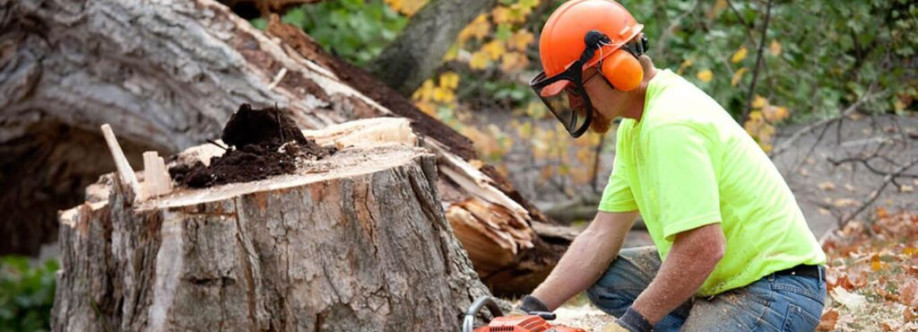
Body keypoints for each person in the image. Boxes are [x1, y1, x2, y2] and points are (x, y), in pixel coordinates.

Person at [521, 0, 827, 331]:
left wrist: (630, 325)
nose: (574, 101)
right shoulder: (636, 126)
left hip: (777, 288)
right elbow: (601, 235)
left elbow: (704, 248)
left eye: (575, 88)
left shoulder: (669, 123)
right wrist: (531, 308)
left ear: (615, 68)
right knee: (609, 279)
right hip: (720, 277)